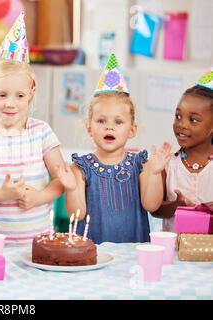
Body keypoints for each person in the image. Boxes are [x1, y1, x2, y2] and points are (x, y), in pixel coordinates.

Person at [0, 13, 65, 246]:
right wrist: (3, 195)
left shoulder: (42, 132)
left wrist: (40, 197)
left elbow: (61, 180)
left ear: (31, 91)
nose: (10, 103)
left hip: (39, 243)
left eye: (19, 95)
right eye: (2, 95)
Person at [58, 52, 172, 244]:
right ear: (89, 127)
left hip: (132, 253)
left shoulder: (140, 164)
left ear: (132, 129)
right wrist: (70, 189)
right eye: (101, 121)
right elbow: (76, 214)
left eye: (118, 122)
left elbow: (151, 205)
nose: (109, 127)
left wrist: (154, 174)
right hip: (93, 254)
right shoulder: (80, 167)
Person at [151, 68, 213, 230]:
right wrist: (176, 205)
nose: (181, 124)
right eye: (178, 116)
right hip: (174, 253)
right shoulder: (168, 164)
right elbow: (156, 210)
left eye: (193, 120)